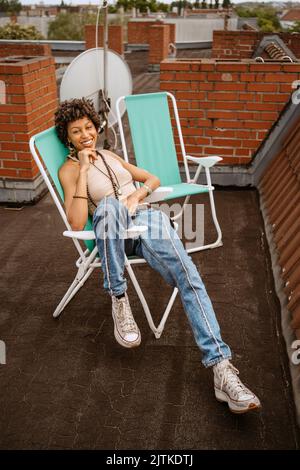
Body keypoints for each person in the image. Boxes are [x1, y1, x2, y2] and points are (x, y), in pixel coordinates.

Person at [54, 98, 261, 414]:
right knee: (109, 206)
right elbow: (76, 220)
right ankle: (119, 297)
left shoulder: (111, 155)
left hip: (145, 222)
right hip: (112, 237)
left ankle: (222, 370)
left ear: (96, 127)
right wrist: (83, 170)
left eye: (89, 127)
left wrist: (137, 194)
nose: (85, 135)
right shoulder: (68, 170)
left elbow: (153, 180)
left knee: (189, 276)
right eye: (76, 131)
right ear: (67, 137)